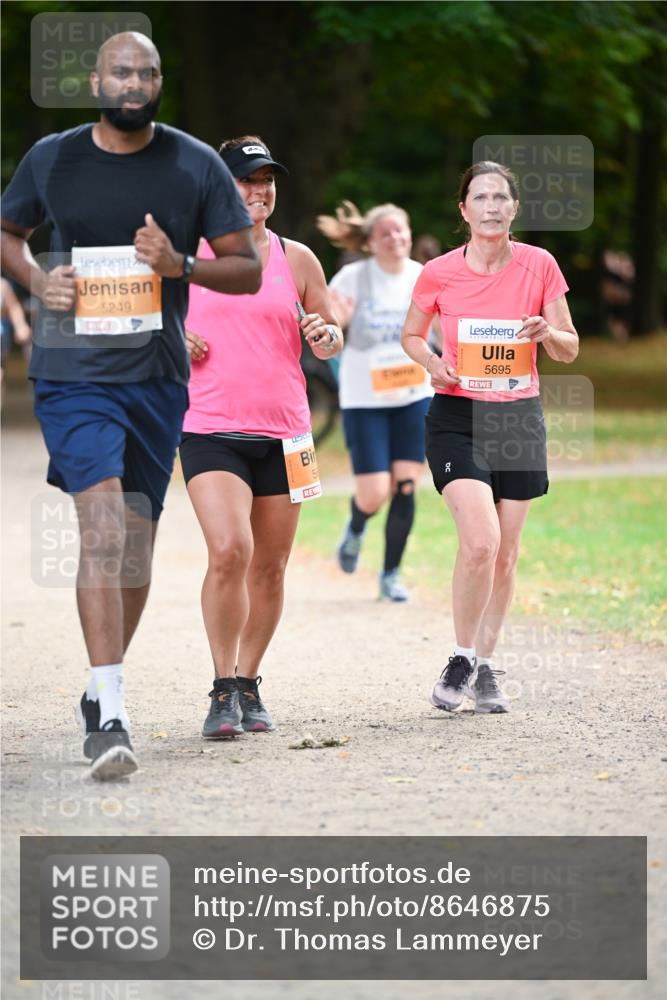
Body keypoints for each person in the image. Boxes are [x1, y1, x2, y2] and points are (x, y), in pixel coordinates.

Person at [0, 33, 260, 779]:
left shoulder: (192, 162)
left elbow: (244, 268)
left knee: (136, 547)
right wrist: (31, 279)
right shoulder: (53, 156)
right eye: (122, 70)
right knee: (104, 523)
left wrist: (179, 264)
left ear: (159, 83)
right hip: (71, 369)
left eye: (148, 71)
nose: (135, 81)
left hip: (155, 376)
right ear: (97, 79)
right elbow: (8, 232)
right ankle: (111, 709)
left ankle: (97, 684)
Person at [401, 161, 578, 713]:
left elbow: (569, 346)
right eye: (481, 197)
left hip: (518, 418)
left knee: (506, 554)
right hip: (457, 416)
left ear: (514, 208)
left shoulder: (539, 266)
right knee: (482, 542)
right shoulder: (438, 272)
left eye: (501, 197)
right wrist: (432, 362)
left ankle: (485, 666)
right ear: (464, 209)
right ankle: (459, 656)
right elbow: (410, 335)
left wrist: (547, 331)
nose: (492, 207)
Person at [180, 136, 343, 738]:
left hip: (286, 433)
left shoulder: (296, 258)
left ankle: (249, 682)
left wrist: (326, 336)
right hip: (210, 428)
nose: (260, 191)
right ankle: (222, 686)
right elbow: (145, 320)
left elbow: (329, 331)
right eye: (247, 180)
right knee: (230, 550)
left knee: (270, 568)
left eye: (268, 180)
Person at [317, 201, 432, 602]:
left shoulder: (423, 277)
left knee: (405, 486)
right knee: (373, 492)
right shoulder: (350, 279)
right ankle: (356, 526)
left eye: (401, 231)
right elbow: (327, 336)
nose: (395, 238)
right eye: (385, 233)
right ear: (369, 242)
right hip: (364, 399)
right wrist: (337, 324)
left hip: (414, 395)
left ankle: (390, 575)